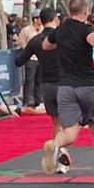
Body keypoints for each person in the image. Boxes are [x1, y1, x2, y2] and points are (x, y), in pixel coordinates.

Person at [40, 0, 94, 182]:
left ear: (69, 11)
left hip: (66, 88)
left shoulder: (60, 30)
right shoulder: (86, 30)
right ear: (85, 12)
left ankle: (55, 143)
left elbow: (45, 45)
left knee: (70, 131)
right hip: (87, 86)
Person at [16, 9, 69, 168]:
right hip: (65, 83)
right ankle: (60, 151)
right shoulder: (63, 37)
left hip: (47, 85)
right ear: (55, 19)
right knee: (70, 125)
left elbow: (19, 61)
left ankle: (60, 157)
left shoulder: (35, 40)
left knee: (57, 123)